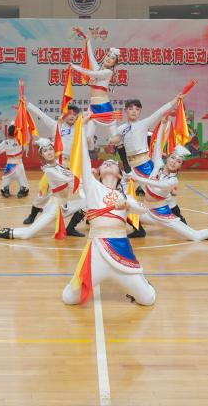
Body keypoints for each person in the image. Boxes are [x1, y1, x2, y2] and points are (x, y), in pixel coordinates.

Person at [61, 118, 156, 306]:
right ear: (98, 172)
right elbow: (84, 158)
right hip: (97, 249)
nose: (108, 163)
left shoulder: (125, 195)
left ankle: (143, 282)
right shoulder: (92, 187)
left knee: (148, 300)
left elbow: (142, 209)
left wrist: (127, 205)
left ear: (120, 174)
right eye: (105, 163)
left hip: (121, 250)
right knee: (69, 298)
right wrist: (83, 126)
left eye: (112, 163)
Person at [0, 137, 87, 240]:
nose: (49, 152)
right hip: (54, 209)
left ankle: (70, 228)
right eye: (45, 151)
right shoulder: (49, 170)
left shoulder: (59, 165)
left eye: (50, 149)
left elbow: (73, 180)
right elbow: (69, 178)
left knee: (88, 201)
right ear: (42, 155)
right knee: (26, 234)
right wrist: (80, 174)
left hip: (65, 207)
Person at [127, 146, 208, 242]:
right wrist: (163, 126)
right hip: (148, 213)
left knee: (196, 237)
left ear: (180, 166)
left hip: (163, 215)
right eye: (172, 158)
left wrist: (138, 179)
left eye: (178, 161)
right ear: (167, 158)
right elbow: (157, 145)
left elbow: (158, 184)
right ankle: (139, 230)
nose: (174, 162)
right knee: (124, 209)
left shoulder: (173, 181)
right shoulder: (158, 166)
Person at [21, 102, 80, 225]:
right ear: (64, 114)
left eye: (75, 114)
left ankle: (83, 218)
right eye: (69, 113)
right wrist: (28, 105)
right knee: (44, 190)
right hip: (56, 164)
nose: (72, 116)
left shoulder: (80, 129)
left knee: (80, 191)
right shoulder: (56, 125)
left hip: (72, 166)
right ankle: (33, 214)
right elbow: (41, 115)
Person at [67, 28, 121, 150]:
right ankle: (89, 153)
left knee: (114, 138)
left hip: (104, 107)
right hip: (92, 107)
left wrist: (74, 67)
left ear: (114, 63)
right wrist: (88, 42)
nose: (109, 58)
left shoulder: (107, 72)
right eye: (108, 55)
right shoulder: (98, 69)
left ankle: (122, 152)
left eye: (112, 58)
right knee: (87, 138)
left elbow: (90, 73)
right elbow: (91, 57)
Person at [0, 123, 30, 198]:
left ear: (8, 133)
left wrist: (4, 149)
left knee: (5, 182)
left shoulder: (5, 143)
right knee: (23, 181)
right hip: (19, 165)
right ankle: (22, 189)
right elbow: (28, 138)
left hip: (10, 166)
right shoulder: (20, 140)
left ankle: (6, 189)